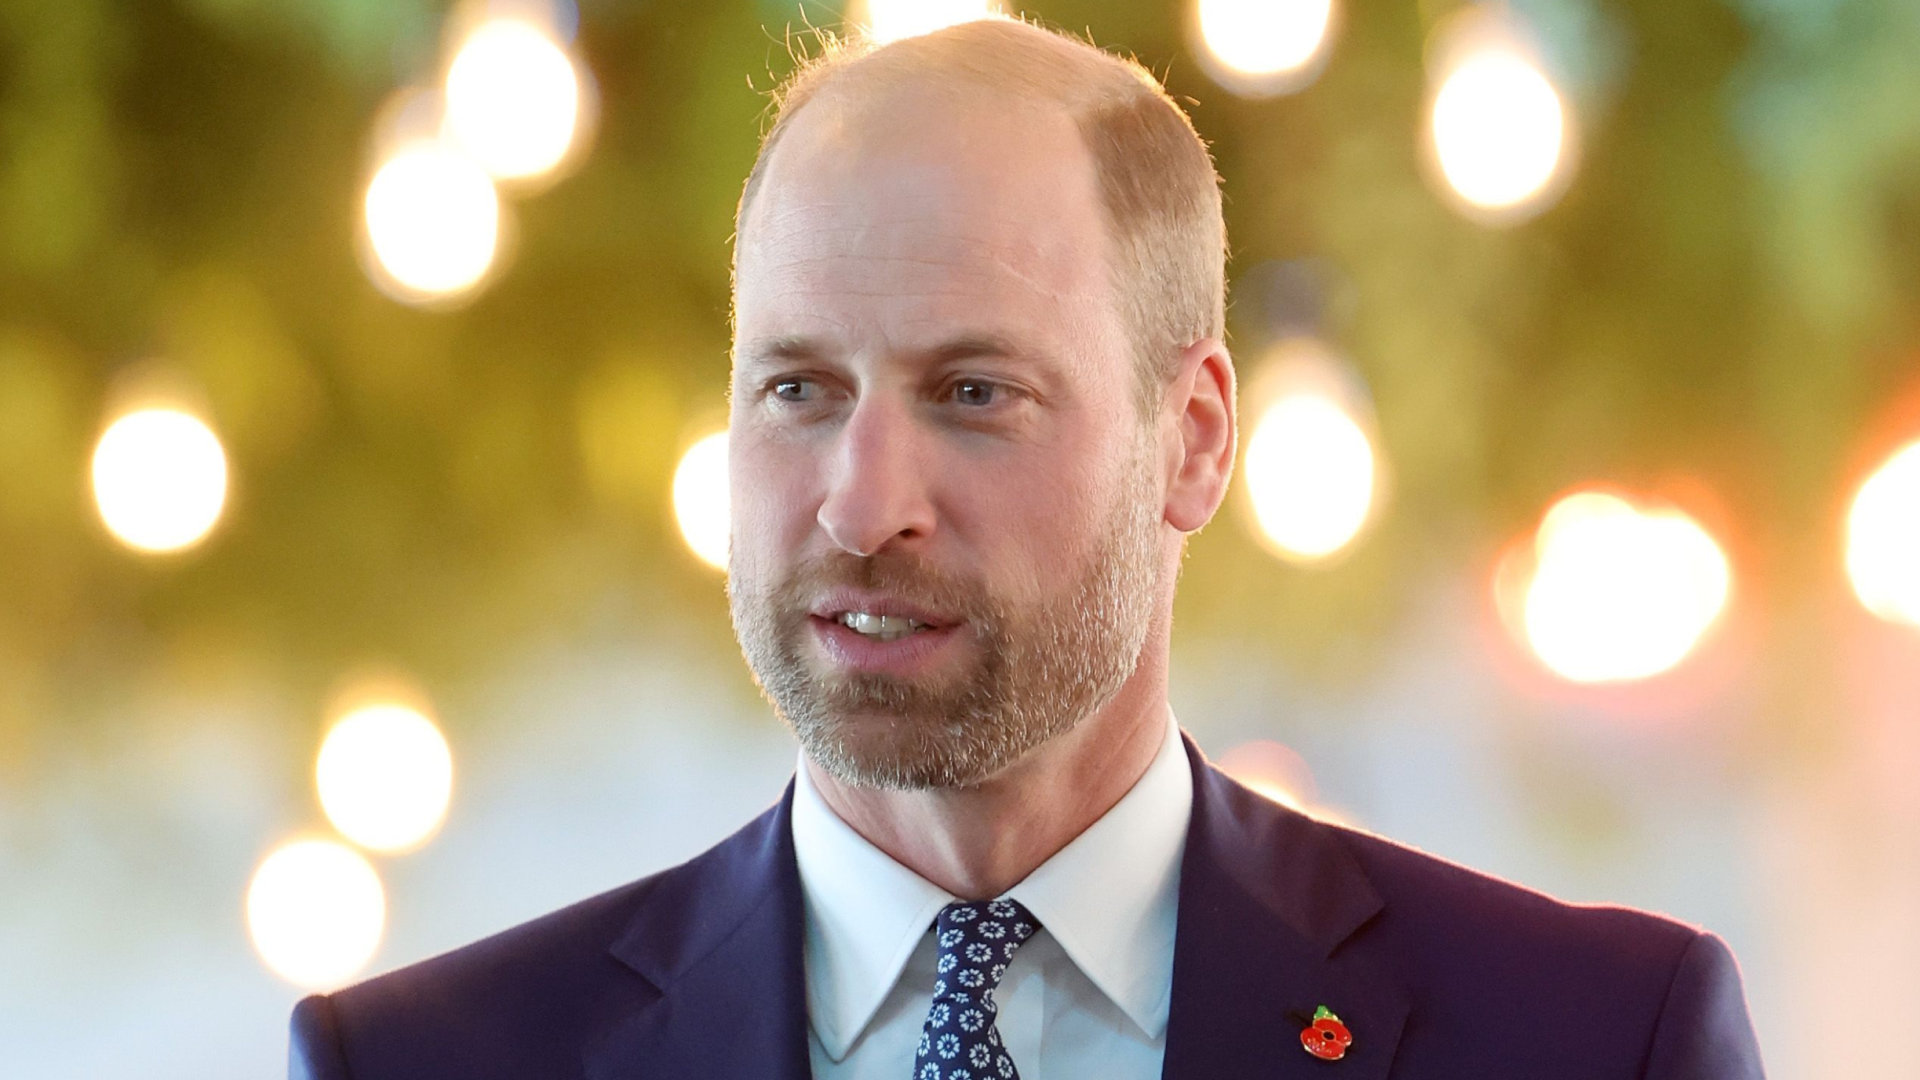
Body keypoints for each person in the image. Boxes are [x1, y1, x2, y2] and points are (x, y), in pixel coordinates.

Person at [290, 17, 1766, 1080]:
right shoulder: (414, 1065)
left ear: (1193, 440)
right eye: (798, 391)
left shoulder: (1593, 1041)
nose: (863, 506)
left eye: (974, 393)